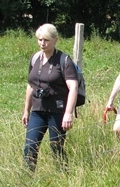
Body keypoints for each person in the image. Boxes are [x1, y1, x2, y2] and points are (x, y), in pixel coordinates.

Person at [22, 24, 79, 172]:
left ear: (55, 40)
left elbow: (73, 87)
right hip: (38, 110)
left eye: (46, 40)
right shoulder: (35, 59)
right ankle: (27, 181)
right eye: (40, 40)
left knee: (56, 148)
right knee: (30, 146)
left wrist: (68, 113)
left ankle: (64, 176)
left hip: (57, 111)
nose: (42, 43)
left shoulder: (64, 60)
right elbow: (30, 85)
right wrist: (26, 111)